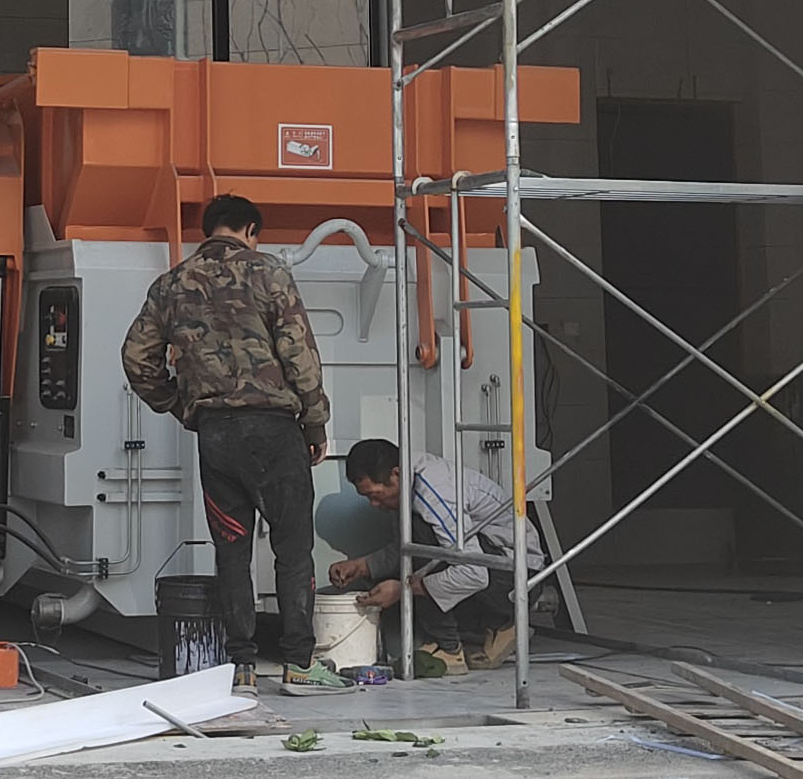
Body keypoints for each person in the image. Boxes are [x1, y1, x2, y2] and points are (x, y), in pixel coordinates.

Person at [122, 193, 346, 692]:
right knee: (293, 549)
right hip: (274, 431)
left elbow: (136, 357)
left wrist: (182, 406)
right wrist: (315, 425)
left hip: (216, 434)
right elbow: (299, 356)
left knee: (231, 550)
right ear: (250, 231)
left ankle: (240, 665)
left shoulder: (172, 283)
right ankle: (298, 664)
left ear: (209, 229)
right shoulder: (269, 273)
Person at [330, 436, 520, 671]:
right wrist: (361, 566)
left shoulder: (432, 493)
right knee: (396, 565)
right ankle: (477, 629)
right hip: (490, 566)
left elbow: (473, 573)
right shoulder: (407, 483)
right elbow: (402, 548)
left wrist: (403, 590)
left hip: (516, 576)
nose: (373, 505)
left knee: (419, 537)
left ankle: (451, 646)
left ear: (396, 474)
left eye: (375, 495)